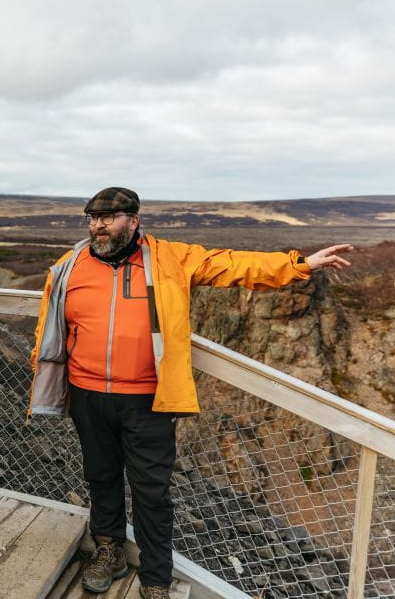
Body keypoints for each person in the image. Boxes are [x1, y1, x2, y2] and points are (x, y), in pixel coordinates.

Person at [29, 187, 353, 599]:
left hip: (148, 399)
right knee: (101, 477)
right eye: (92, 218)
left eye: (107, 219)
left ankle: (155, 580)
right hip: (87, 395)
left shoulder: (170, 258)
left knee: (151, 491)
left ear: (134, 220)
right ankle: (108, 550)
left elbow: (233, 265)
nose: (98, 226)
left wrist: (300, 265)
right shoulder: (69, 265)